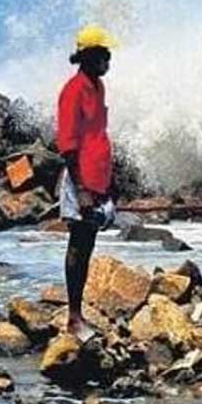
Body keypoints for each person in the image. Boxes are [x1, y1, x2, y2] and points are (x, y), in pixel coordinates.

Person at [56, 25, 117, 340]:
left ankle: (77, 314)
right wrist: (80, 190)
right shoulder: (74, 89)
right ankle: (73, 317)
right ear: (88, 56)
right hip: (80, 179)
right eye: (103, 54)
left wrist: (108, 185)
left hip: (97, 177)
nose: (108, 60)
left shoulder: (98, 86)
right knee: (78, 246)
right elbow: (68, 144)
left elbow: (98, 136)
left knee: (88, 244)